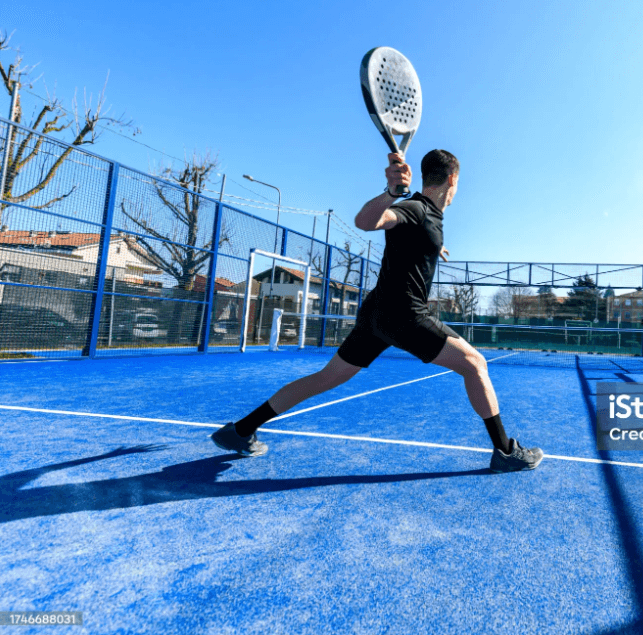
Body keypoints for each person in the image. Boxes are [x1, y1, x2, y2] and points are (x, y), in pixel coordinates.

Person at [212, 150, 543, 473]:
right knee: (475, 363)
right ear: (452, 179)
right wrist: (389, 193)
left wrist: (432, 246)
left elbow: (410, 235)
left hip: (377, 316)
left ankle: (240, 430)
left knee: (326, 378)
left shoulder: (426, 220)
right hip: (404, 315)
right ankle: (505, 451)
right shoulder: (415, 208)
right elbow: (367, 221)